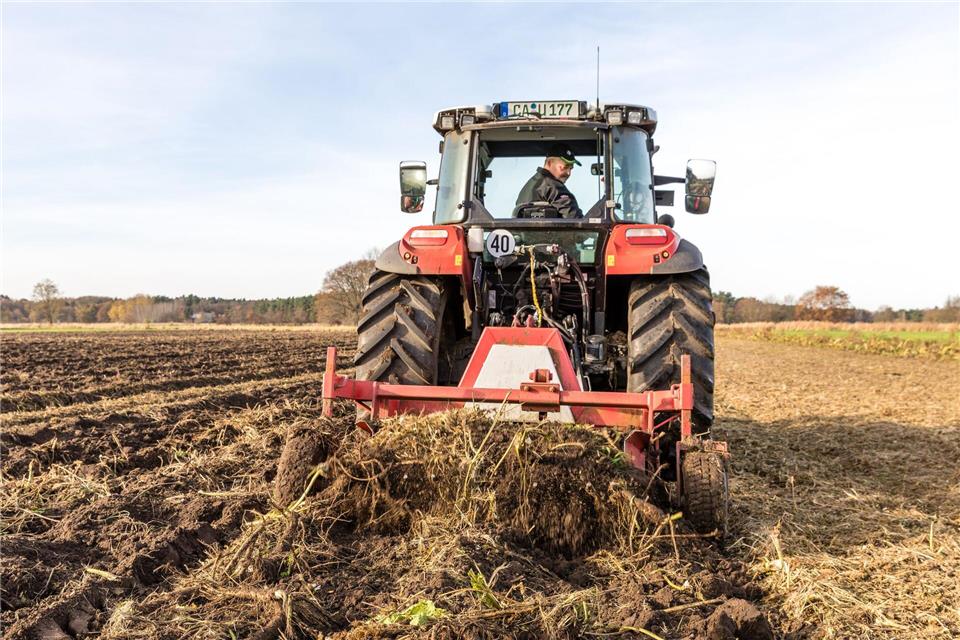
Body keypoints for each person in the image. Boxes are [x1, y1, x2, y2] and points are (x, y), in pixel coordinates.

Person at [515, 143, 583, 218]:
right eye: (565, 167)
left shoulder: (529, 186)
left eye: (571, 168)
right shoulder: (552, 186)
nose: (568, 173)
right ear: (549, 163)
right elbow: (574, 217)